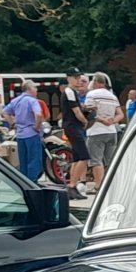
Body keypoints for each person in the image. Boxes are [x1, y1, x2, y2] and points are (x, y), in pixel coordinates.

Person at [83, 72, 122, 193]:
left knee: (96, 160)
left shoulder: (92, 95)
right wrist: (112, 121)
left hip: (96, 131)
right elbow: (121, 114)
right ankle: (111, 184)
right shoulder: (112, 96)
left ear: (95, 82)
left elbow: (90, 113)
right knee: (110, 160)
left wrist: (103, 120)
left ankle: (99, 186)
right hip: (112, 132)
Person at [2, 80, 45, 183]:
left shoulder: (16, 100)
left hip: (20, 135)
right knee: (34, 159)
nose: (36, 90)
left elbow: (4, 112)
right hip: (32, 133)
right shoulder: (32, 101)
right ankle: (33, 182)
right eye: (35, 88)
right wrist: (37, 126)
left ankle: (24, 182)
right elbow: (38, 115)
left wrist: (12, 124)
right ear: (30, 89)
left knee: (23, 160)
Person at [61, 68, 92, 196]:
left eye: (79, 77)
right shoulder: (69, 92)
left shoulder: (72, 92)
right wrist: (85, 121)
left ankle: (71, 185)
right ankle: (72, 185)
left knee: (76, 158)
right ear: (69, 78)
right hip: (73, 126)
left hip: (71, 127)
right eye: (75, 77)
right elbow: (76, 111)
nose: (78, 80)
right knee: (84, 157)